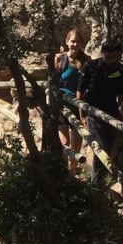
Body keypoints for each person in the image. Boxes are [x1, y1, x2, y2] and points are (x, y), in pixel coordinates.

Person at [76, 38, 123, 152]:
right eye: (108, 57)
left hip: (111, 111)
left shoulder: (120, 69)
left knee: (110, 147)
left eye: (114, 57)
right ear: (102, 53)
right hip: (92, 111)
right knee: (100, 148)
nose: (111, 60)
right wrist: (82, 116)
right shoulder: (89, 66)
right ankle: (99, 170)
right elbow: (80, 91)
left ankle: (106, 170)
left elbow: (120, 93)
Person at [54, 28, 89, 160]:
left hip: (79, 107)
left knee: (76, 148)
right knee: (65, 145)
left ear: (81, 43)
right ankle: (63, 177)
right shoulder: (60, 59)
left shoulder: (86, 61)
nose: (75, 44)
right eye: (72, 41)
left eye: (78, 42)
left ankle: (72, 177)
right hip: (62, 105)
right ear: (67, 42)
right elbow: (53, 82)